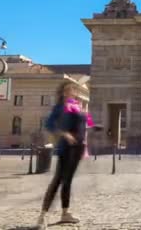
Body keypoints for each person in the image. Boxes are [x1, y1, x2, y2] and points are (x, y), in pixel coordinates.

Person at [36, 83, 90, 229]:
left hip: (78, 148)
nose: (72, 92)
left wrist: (92, 125)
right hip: (66, 148)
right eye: (69, 90)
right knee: (57, 180)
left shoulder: (77, 107)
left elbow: (85, 124)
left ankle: (65, 213)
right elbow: (49, 124)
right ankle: (42, 216)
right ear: (63, 92)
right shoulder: (59, 108)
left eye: (73, 89)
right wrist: (64, 134)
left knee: (68, 181)